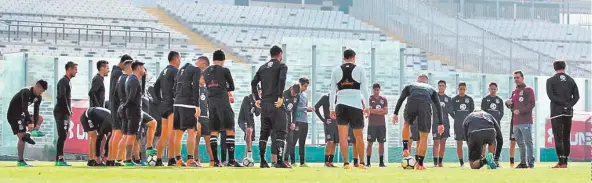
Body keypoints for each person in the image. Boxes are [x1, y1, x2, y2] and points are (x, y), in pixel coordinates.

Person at [393, 74, 444, 170]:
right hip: (425, 105)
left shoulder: (410, 85)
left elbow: (401, 99)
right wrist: (440, 123)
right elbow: (438, 106)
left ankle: (405, 148)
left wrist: (395, 113)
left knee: (407, 124)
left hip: (412, 102)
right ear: (426, 82)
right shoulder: (431, 89)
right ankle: (420, 164)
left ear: (417, 80)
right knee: (424, 137)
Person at [328, 49, 369, 169]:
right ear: (353, 57)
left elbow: (332, 91)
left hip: (340, 105)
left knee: (343, 136)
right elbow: (365, 90)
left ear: (344, 58)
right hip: (356, 105)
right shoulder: (360, 69)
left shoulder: (336, 70)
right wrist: (367, 106)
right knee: (359, 136)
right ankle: (361, 163)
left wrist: (331, 108)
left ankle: (346, 163)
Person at [251, 45, 290, 168]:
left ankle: (262, 161)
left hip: (265, 104)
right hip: (275, 103)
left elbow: (253, 83)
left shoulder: (262, 68)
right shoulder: (282, 66)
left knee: (264, 133)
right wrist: (280, 96)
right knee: (280, 132)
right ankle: (279, 161)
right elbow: (282, 79)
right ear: (279, 54)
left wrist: (257, 98)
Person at [203, 50, 242, 167]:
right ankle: (230, 161)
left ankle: (215, 161)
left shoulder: (205, 72)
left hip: (211, 104)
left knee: (214, 131)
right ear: (223, 60)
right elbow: (232, 87)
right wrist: (224, 86)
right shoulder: (225, 70)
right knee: (230, 129)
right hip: (223, 103)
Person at [546, 60, 579, 168]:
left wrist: (562, 104)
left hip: (556, 112)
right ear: (564, 67)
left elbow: (551, 96)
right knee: (566, 137)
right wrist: (568, 105)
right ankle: (565, 161)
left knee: (558, 137)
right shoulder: (571, 80)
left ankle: (561, 161)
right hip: (568, 112)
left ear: (554, 68)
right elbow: (577, 97)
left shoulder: (550, 80)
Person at [6, 80, 47, 166]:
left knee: (40, 118)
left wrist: (35, 124)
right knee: (21, 137)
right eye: (41, 91)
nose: (41, 93)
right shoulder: (26, 91)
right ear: (36, 86)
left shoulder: (38, 97)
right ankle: (20, 161)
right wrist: (30, 122)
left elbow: (36, 111)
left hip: (22, 114)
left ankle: (28, 134)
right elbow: (25, 108)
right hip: (14, 115)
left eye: (43, 92)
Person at [172, 58, 202, 167]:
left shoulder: (181, 69)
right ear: (202, 64)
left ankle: (178, 160)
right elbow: (195, 88)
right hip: (188, 104)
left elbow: (174, 88)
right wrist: (197, 106)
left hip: (177, 104)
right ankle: (190, 160)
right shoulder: (196, 69)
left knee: (178, 133)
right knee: (192, 132)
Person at [154, 51, 180, 166]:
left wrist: (159, 100)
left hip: (164, 105)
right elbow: (178, 87)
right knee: (172, 133)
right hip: (172, 105)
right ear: (176, 58)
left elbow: (156, 86)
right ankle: (171, 159)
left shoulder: (163, 71)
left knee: (164, 134)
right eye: (180, 59)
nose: (180, 61)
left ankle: (158, 159)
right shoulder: (175, 71)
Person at [505, 70, 536, 169]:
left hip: (526, 121)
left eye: (517, 77)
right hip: (515, 122)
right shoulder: (514, 92)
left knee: (528, 142)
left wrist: (521, 111)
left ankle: (530, 163)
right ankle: (523, 163)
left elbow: (532, 104)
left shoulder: (528, 90)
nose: (516, 79)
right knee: (520, 143)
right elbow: (511, 106)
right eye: (514, 78)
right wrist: (508, 103)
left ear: (522, 78)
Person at [107, 55, 132, 166]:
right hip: (117, 105)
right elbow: (119, 91)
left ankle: (111, 159)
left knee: (114, 133)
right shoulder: (119, 74)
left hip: (113, 105)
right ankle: (115, 159)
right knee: (118, 132)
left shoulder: (114, 71)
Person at [54, 61, 77, 166]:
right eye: (75, 69)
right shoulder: (63, 81)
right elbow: (61, 97)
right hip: (61, 112)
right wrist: (68, 109)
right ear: (69, 69)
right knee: (62, 135)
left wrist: (69, 110)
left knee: (63, 135)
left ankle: (58, 159)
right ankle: (60, 158)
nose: (76, 71)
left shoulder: (67, 81)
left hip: (64, 112)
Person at [287, 77, 313, 167]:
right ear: (300, 85)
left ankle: (302, 162)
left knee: (302, 142)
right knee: (293, 142)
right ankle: (293, 162)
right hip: (297, 121)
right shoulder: (295, 95)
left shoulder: (305, 96)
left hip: (305, 121)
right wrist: (306, 108)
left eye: (307, 86)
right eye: (305, 86)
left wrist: (308, 109)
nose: (306, 88)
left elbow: (304, 108)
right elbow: (294, 108)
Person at [193, 56, 213, 167]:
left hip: (206, 118)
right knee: (196, 140)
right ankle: (196, 160)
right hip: (198, 118)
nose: (204, 80)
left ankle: (212, 161)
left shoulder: (206, 89)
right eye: (203, 78)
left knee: (208, 141)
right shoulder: (195, 88)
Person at [481, 82, 504, 166]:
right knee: (484, 142)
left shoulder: (499, 100)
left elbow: (501, 113)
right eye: (491, 89)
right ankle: (482, 159)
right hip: (486, 124)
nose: (493, 90)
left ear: (497, 89)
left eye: (494, 89)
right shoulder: (485, 99)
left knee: (494, 141)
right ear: (489, 89)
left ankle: (492, 159)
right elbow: (482, 112)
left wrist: (496, 121)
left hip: (496, 125)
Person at [452, 81, 474, 167]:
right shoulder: (454, 99)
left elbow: (471, 111)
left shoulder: (469, 99)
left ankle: (471, 160)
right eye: (460, 89)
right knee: (459, 143)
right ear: (458, 89)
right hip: (458, 125)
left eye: (463, 89)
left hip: (468, 125)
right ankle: (461, 163)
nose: (462, 91)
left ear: (466, 89)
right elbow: (451, 111)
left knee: (470, 143)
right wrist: (457, 118)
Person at [366, 83, 388, 167]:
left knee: (381, 143)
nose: (376, 91)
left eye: (378, 90)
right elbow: (370, 111)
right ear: (373, 90)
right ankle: (368, 162)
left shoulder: (384, 99)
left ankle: (381, 162)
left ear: (379, 90)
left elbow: (386, 111)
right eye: (375, 90)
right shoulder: (370, 99)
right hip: (372, 125)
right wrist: (380, 111)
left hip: (381, 125)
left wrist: (375, 111)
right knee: (370, 143)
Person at [238, 85, 261, 163]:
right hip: (243, 120)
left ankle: (247, 157)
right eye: (259, 91)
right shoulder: (247, 98)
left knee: (250, 138)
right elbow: (246, 113)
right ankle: (248, 156)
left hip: (251, 120)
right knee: (248, 133)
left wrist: (258, 105)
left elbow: (257, 114)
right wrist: (248, 125)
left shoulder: (258, 100)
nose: (260, 93)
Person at [279, 84, 300, 167]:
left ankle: (286, 160)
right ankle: (278, 160)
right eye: (294, 93)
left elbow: (295, 110)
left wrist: (294, 122)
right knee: (280, 140)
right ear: (291, 89)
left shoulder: (297, 97)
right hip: (281, 118)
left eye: (296, 94)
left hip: (289, 119)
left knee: (290, 140)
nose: (294, 95)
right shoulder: (283, 94)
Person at [432, 80, 452, 167]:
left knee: (443, 142)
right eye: (439, 85)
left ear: (445, 87)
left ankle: (440, 162)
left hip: (445, 123)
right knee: (436, 142)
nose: (441, 87)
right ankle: (435, 162)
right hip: (436, 123)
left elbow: (451, 111)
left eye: (443, 86)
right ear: (438, 86)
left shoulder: (448, 99)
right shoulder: (433, 97)